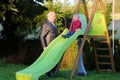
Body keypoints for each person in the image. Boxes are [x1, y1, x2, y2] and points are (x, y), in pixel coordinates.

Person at [40, 11, 58, 77]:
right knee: (48, 60)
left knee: (54, 59)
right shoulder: (46, 24)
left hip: (54, 45)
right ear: (50, 16)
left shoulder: (53, 23)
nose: (55, 17)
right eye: (54, 16)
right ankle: (47, 74)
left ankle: (52, 72)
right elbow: (42, 36)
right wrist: (44, 46)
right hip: (48, 45)